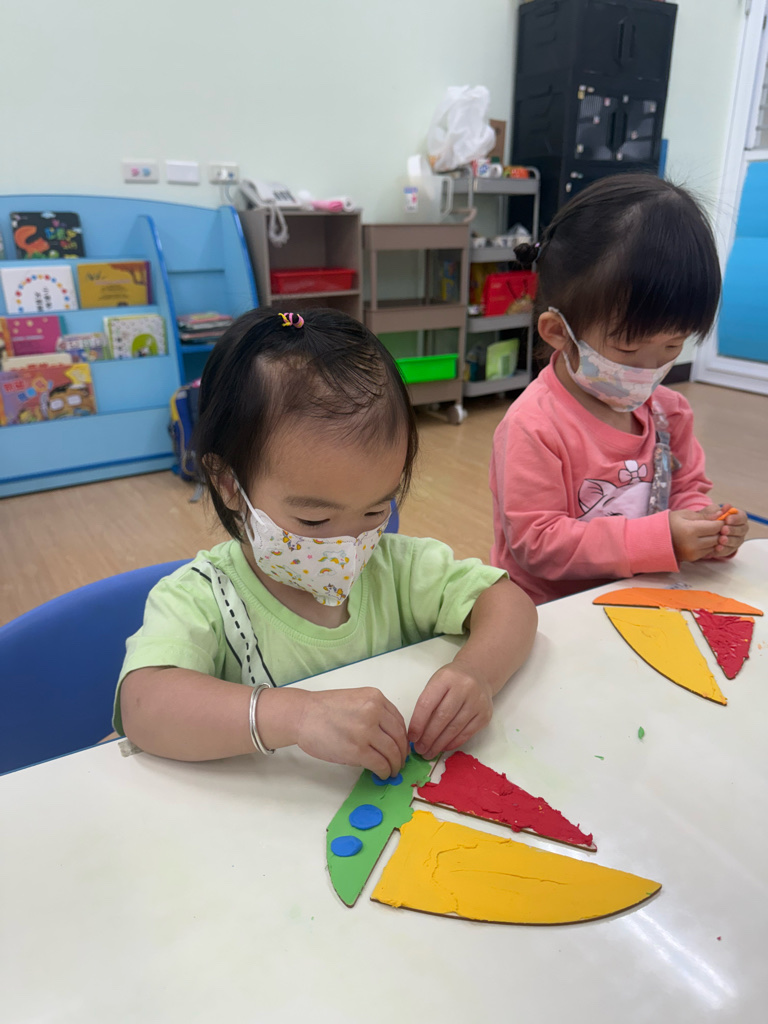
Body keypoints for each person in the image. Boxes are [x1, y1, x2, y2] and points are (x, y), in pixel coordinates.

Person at [116, 308, 537, 777]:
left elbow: (510, 603)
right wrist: (297, 716)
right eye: (314, 519)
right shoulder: (202, 598)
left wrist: (477, 672)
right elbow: (143, 705)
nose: (349, 545)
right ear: (229, 483)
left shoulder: (395, 568)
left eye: (375, 511)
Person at [490, 174, 749, 605]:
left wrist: (707, 526)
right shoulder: (533, 426)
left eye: (672, 346)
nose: (649, 370)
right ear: (558, 331)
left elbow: (684, 490)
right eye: (627, 348)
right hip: (554, 611)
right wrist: (660, 537)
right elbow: (536, 544)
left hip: (644, 594)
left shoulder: (669, 413)